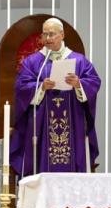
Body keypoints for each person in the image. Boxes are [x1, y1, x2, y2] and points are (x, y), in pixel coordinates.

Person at [9, 18, 101, 177]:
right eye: (44, 34)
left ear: (62, 35)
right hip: (42, 126)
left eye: (51, 34)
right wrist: (40, 87)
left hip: (72, 125)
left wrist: (78, 84)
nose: (47, 38)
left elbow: (94, 82)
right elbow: (21, 87)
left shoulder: (79, 61)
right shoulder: (32, 62)